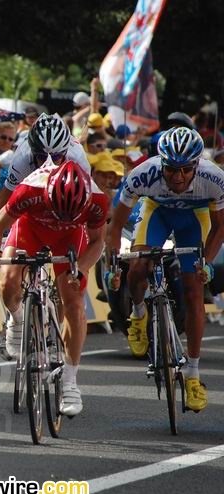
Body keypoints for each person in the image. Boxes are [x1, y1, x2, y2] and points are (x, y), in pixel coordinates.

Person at [0, 160, 109, 416]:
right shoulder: (30, 189)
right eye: (58, 210)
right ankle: (16, 319)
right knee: (8, 281)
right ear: (47, 193)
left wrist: (81, 269)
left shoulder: (97, 200)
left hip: (70, 238)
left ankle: (70, 381)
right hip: (31, 229)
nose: (61, 218)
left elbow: (97, 242)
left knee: (75, 302)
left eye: (70, 213)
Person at [106, 127, 224, 412]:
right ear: (161, 164)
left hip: (195, 217)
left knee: (194, 290)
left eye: (186, 170)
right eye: (171, 169)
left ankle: (193, 374)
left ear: (197, 164)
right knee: (137, 266)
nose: (178, 176)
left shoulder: (214, 178)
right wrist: (112, 266)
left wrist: (206, 263)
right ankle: (138, 314)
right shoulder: (143, 174)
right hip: (156, 212)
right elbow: (115, 226)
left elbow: (220, 227)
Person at [0, 113, 91, 208]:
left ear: (65, 152)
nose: (48, 162)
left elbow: (88, 201)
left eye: (55, 157)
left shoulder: (78, 158)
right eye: (42, 157)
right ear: (33, 152)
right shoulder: (22, 158)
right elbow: (4, 201)